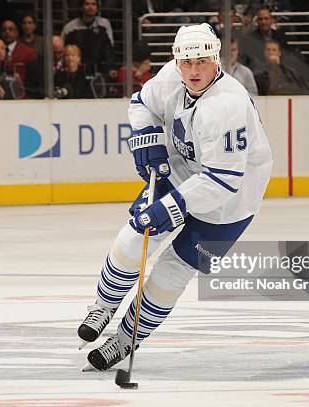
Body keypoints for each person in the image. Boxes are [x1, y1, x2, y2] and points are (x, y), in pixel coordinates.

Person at [78, 23, 273, 371]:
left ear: (216, 61)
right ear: (176, 61)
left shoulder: (226, 104)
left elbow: (223, 180)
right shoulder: (172, 76)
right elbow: (140, 103)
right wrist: (147, 133)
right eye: (186, 62)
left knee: (175, 269)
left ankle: (126, 338)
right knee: (136, 232)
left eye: (202, 61)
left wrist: (172, 207)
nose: (194, 70)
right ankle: (104, 305)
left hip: (232, 202)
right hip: (182, 172)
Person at [61, 0, 115, 76]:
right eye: (87, 4)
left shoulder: (104, 24)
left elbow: (108, 49)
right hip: (75, 70)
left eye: (93, 4)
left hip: (98, 70)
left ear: (97, 8)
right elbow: (64, 50)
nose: (90, 7)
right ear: (81, 7)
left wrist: (110, 67)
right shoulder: (70, 27)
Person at [0, 19, 37, 85]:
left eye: (10, 29)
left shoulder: (28, 52)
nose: (7, 32)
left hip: (20, 92)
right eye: (4, 30)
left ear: (17, 33)